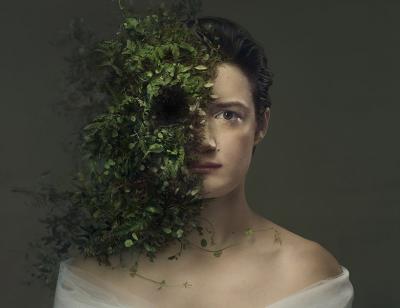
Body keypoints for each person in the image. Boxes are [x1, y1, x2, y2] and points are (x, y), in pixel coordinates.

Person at [53, 15, 354, 308]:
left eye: (228, 115)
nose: (203, 141)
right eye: (177, 115)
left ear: (261, 125)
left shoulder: (304, 272)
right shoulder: (91, 275)